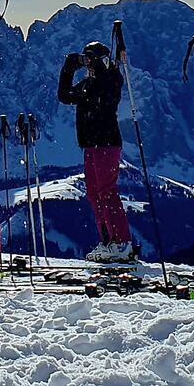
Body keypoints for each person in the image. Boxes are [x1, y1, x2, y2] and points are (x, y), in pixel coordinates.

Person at [59, 41, 133, 262]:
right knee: (94, 194)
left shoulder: (110, 80)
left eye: (91, 59)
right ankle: (108, 242)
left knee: (107, 191)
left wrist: (102, 66)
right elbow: (64, 96)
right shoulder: (88, 84)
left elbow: (109, 92)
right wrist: (69, 68)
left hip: (107, 143)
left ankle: (121, 243)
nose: (88, 64)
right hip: (91, 145)